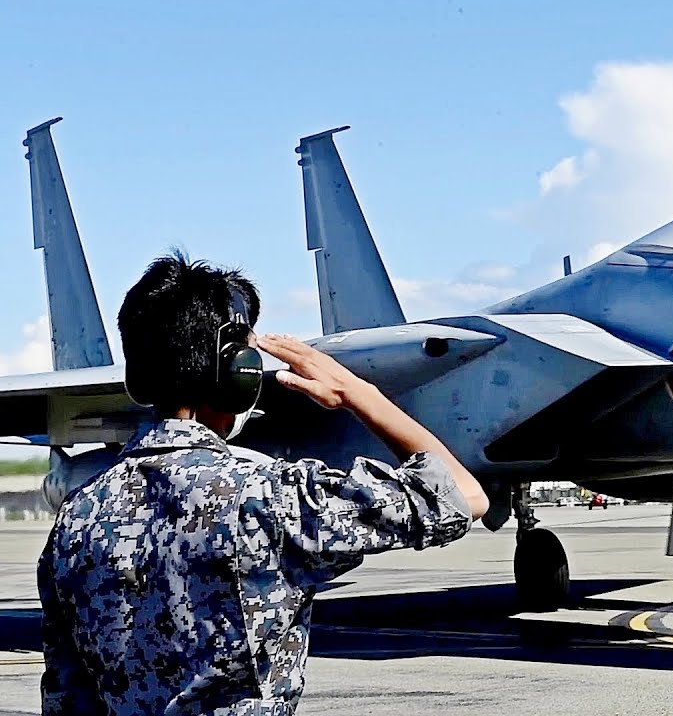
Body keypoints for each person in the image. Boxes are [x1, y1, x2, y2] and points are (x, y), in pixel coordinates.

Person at [38, 253, 489, 715]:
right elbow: (463, 495)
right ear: (238, 374)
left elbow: (66, 697)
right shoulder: (271, 498)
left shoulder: (76, 517)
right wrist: (358, 393)